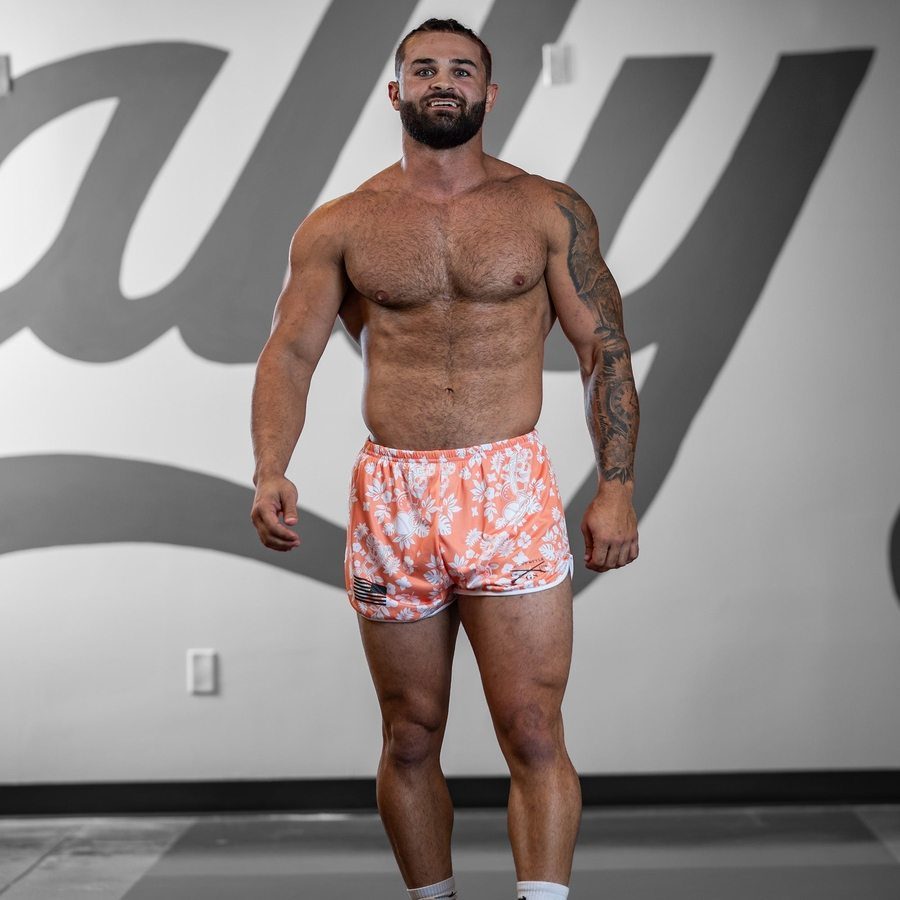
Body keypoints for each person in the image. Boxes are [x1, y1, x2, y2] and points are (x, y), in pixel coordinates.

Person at [250, 18, 639, 900]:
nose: (443, 82)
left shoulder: (546, 210)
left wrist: (616, 485)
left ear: (488, 95)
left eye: (462, 70)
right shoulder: (342, 224)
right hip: (396, 492)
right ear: (397, 92)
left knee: (533, 728)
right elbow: (291, 353)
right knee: (410, 735)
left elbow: (603, 348)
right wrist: (271, 465)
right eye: (423, 69)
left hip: (509, 485)